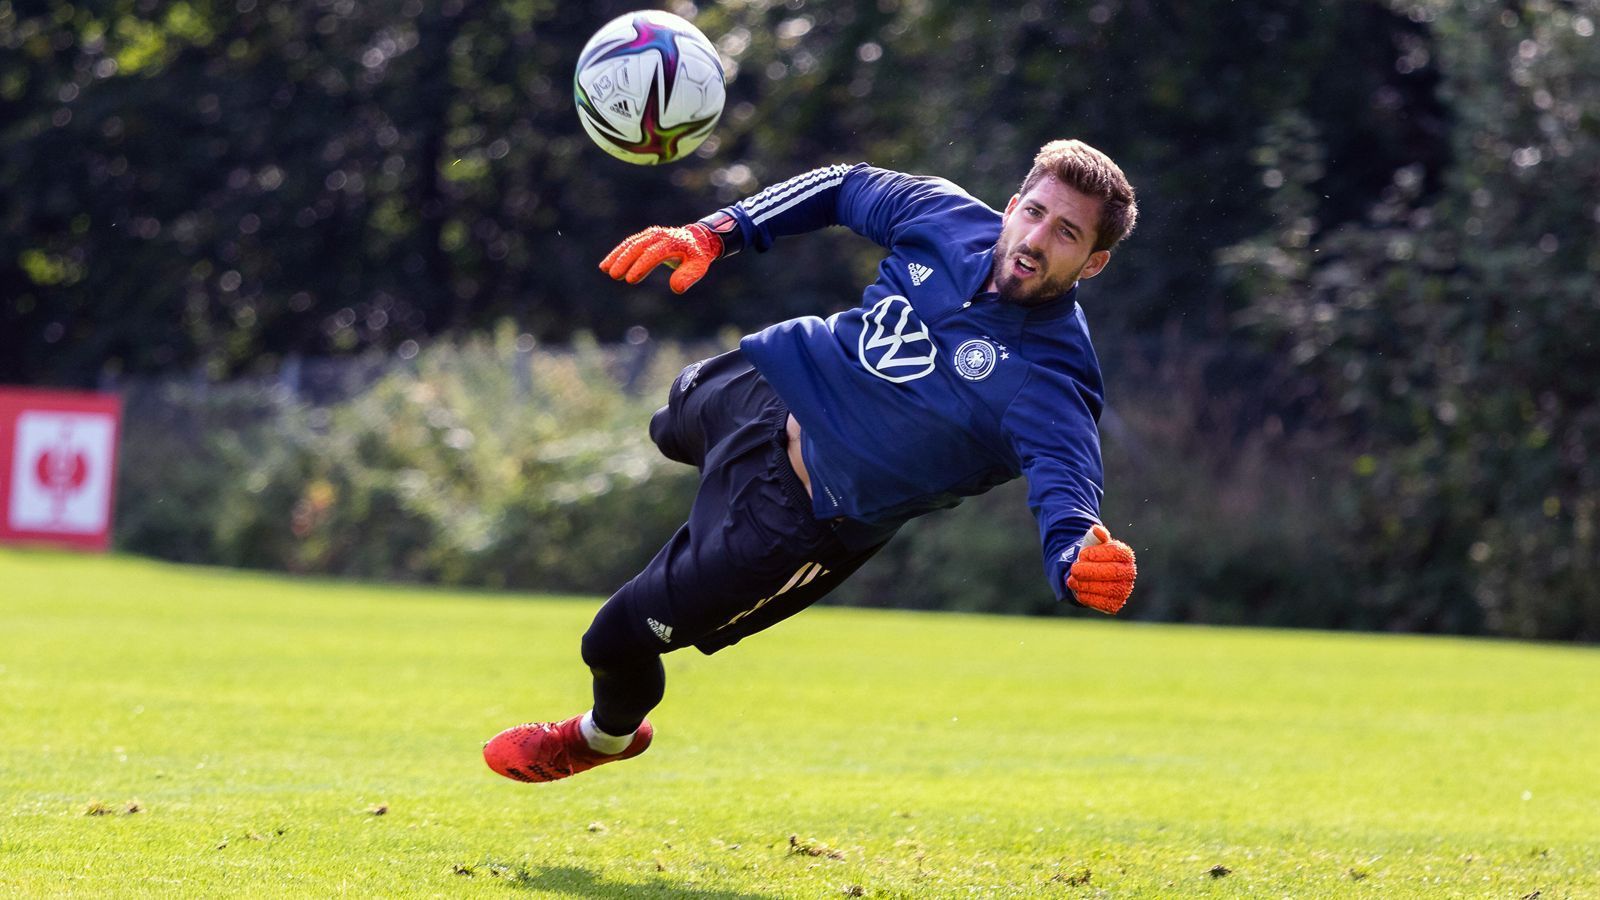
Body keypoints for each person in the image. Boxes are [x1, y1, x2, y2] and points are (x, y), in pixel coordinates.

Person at [483, 140, 1140, 783]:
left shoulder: (1052, 375)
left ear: (1093, 263)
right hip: (769, 388)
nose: (1035, 239)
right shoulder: (941, 215)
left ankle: (602, 738)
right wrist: (717, 233)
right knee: (675, 410)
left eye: (1066, 234)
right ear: (1011, 204)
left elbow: (1068, 485)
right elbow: (840, 184)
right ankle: (707, 467)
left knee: (614, 641)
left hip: (796, 521)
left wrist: (1074, 556)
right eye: (1034, 213)